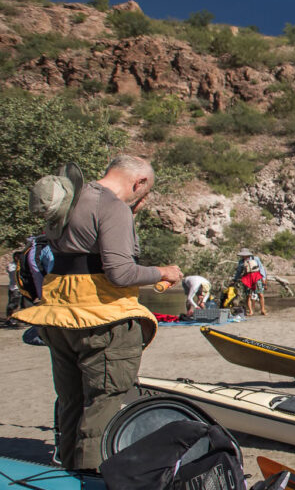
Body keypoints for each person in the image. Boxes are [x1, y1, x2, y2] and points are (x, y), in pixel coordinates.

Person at [15, 156, 182, 471]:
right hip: (102, 322)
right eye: (144, 194)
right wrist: (163, 271)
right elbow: (120, 274)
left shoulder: (71, 200)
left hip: (59, 318)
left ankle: (66, 476)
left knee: (71, 403)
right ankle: (88, 483)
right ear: (139, 183)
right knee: (104, 404)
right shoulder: (112, 206)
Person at [235, 248, 268, 316]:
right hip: (247, 278)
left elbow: (261, 268)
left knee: (260, 294)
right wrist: (235, 279)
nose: (244, 256)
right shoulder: (241, 262)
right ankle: (250, 311)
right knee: (248, 295)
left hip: (256, 276)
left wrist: (263, 279)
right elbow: (239, 271)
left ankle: (263, 310)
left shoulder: (255, 259)